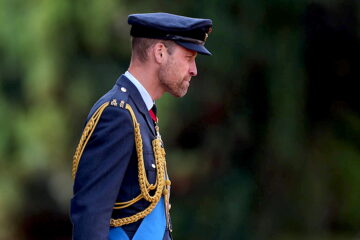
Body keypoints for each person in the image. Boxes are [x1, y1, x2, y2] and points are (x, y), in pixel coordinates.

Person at [70, 12, 213, 240]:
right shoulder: (117, 113)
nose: (194, 70)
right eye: (188, 58)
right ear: (160, 53)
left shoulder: (140, 112)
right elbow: (91, 216)